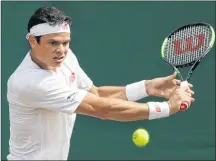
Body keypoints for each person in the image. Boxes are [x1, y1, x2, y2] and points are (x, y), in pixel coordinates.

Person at [6, 6, 195, 160]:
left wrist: (147, 87)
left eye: (66, 43)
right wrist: (166, 108)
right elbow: (102, 109)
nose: (61, 50)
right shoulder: (29, 82)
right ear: (32, 41)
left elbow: (96, 94)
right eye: (53, 43)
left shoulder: (65, 58)